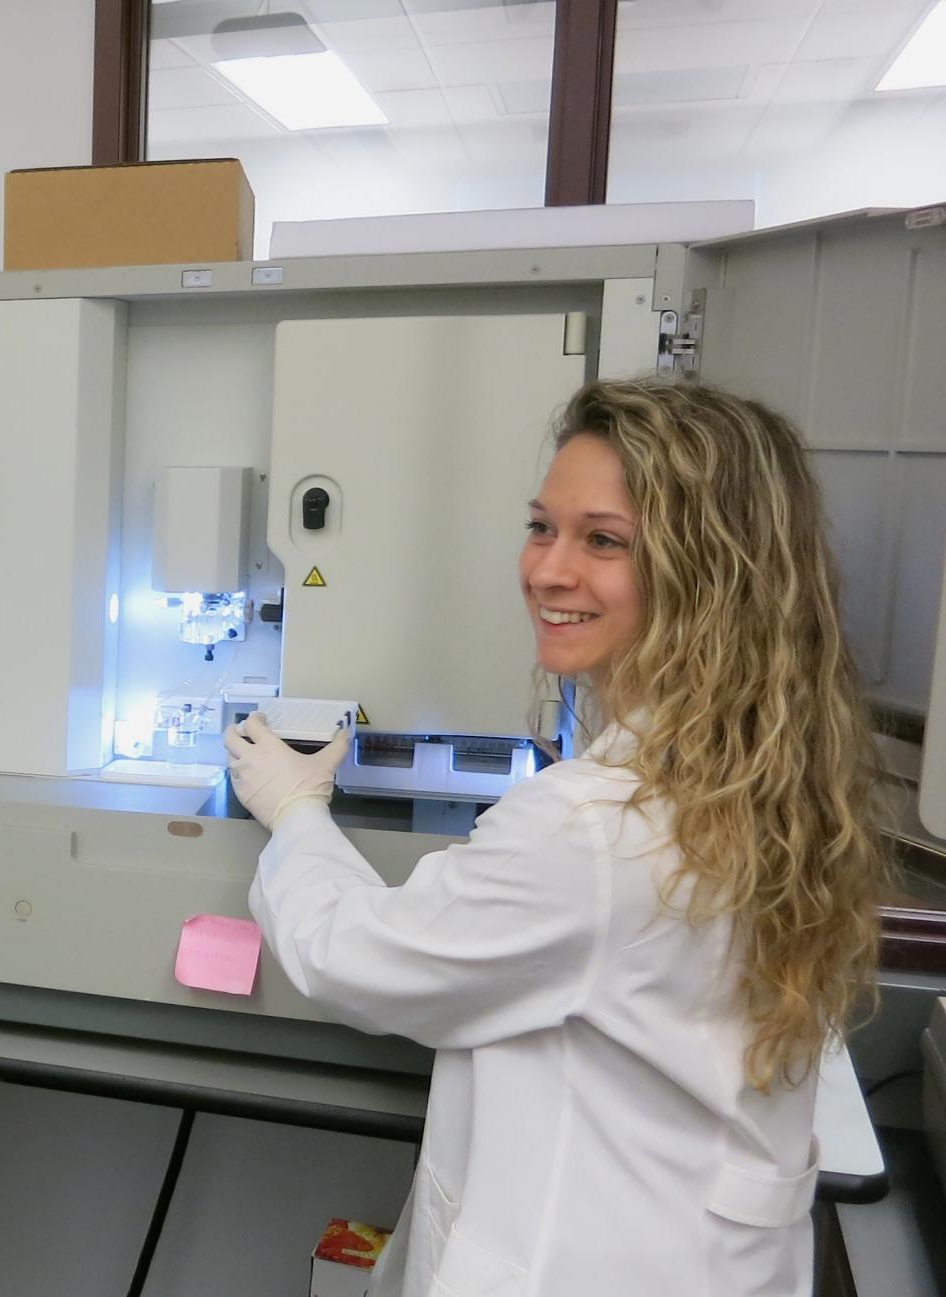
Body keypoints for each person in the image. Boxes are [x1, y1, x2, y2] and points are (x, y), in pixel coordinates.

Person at [224, 378, 888, 1297]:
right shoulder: (766, 775)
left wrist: (296, 810)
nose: (548, 570)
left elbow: (355, 958)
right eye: (543, 526)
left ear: (711, 573)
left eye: (603, 540)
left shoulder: (595, 829)